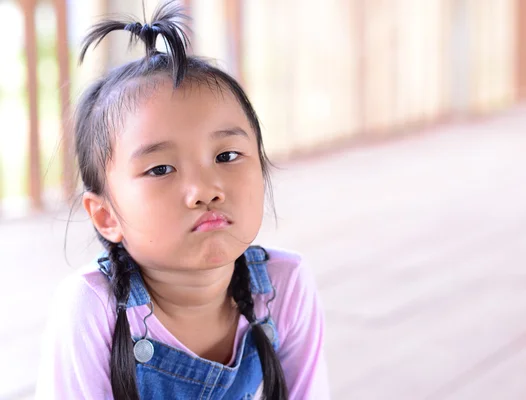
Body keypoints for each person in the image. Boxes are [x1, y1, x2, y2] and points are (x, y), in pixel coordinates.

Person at [35, 1, 329, 399]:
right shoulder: (92, 307)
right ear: (106, 217)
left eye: (226, 156)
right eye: (160, 169)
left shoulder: (282, 286)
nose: (206, 189)